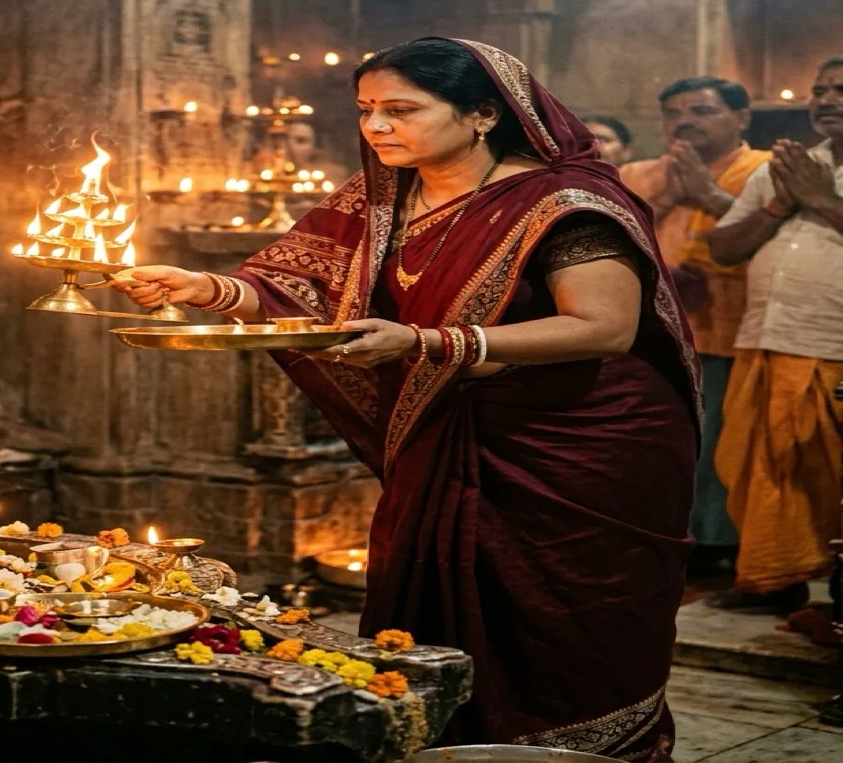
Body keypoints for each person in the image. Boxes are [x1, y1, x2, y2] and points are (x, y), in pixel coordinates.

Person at [118, 38, 699, 759]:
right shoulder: (386, 194)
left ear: (485, 113)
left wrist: (432, 344)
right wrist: (208, 288)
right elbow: (301, 284)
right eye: (366, 110)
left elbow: (604, 327)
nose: (376, 128)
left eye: (401, 110)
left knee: (563, 631)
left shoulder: (562, 203)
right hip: (451, 439)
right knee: (431, 614)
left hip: (574, 448)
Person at [706, 56, 843, 612]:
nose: (828, 99)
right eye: (821, 88)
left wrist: (820, 200)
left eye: (842, 89)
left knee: (824, 471)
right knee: (762, 466)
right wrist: (782, 202)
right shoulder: (786, 167)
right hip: (765, 335)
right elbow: (725, 247)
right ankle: (774, 577)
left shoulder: (808, 177)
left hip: (833, 344)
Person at [618, 78, 770, 575]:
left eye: (702, 110)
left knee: (719, 449)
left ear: (742, 117)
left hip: (729, 332)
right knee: (651, 445)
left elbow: (779, 242)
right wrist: (664, 201)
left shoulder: (766, 172)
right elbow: (607, 238)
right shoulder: (637, 173)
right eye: (673, 112)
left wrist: (705, 196)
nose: (684, 121)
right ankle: (651, 541)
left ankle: (715, 550)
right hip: (645, 339)